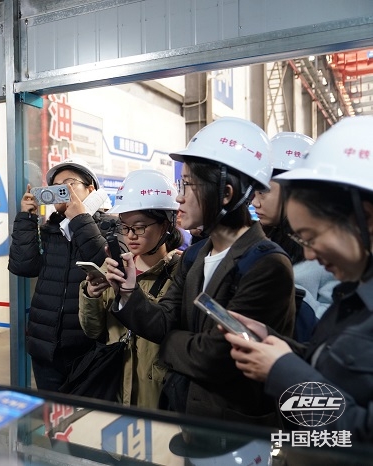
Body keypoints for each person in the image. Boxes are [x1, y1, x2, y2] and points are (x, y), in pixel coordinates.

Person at [106, 117, 295, 426]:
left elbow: (216, 358)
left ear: (226, 194)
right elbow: (164, 321)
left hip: (234, 430)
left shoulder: (267, 265)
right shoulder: (195, 255)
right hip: (186, 417)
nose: (179, 197)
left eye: (188, 185)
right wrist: (128, 293)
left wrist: (170, 344)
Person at [224, 116, 373, 442]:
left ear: (366, 218)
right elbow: (338, 372)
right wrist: (283, 349)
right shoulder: (353, 296)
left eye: (312, 237)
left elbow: (363, 436)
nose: (308, 255)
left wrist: (283, 372)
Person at [79, 169, 184, 407]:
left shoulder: (181, 272)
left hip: (156, 395)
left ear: (166, 224)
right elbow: (93, 331)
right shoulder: (113, 268)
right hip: (114, 387)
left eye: (139, 227)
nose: (130, 236)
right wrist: (91, 296)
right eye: (125, 227)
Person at [8, 157, 114, 391]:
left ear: (90, 190)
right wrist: (27, 217)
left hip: (88, 351)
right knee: (52, 412)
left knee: (86, 413)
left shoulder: (110, 226)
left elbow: (104, 265)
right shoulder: (50, 230)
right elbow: (23, 267)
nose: (60, 191)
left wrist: (80, 219)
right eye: (55, 187)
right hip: (45, 349)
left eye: (68, 184)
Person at [251, 132, 338, 342]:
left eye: (263, 192)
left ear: (296, 192)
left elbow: (333, 326)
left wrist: (290, 294)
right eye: (254, 193)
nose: (255, 202)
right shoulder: (261, 241)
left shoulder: (328, 254)